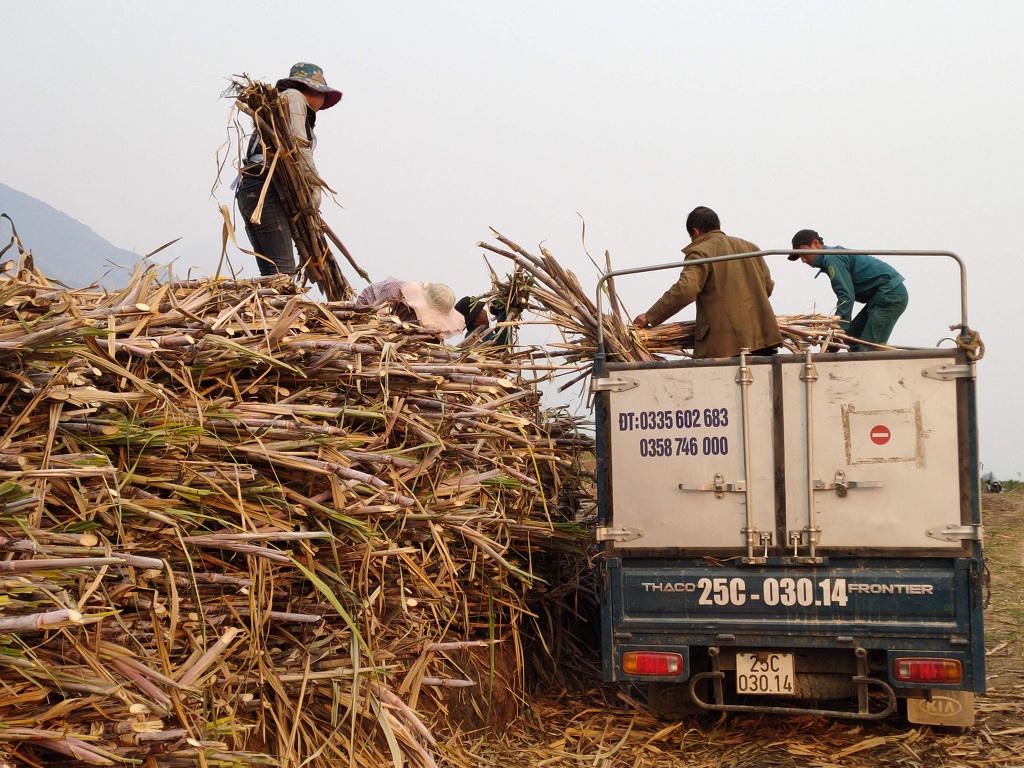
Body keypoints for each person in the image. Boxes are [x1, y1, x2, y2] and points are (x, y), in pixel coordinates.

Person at [236, 62, 342, 276]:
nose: (322, 101)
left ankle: (265, 309)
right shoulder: (294, 98)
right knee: (283, 274)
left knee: (272, 273)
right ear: (311, 90)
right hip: (265, 188)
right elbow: (298, 147)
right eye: (321, 94)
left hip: (253, 189)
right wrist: (314, 185)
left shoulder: (287, 104)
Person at [633, 206, 782, 358]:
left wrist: (650, 316)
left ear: (695, 232)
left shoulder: (701, 251)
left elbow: (686, 290)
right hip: (763, 339)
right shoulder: (751, 247)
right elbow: (768, 286)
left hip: (726, 344)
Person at [789, 229, 908, 351]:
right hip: (879, 298)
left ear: (816, 244)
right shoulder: (831, 258)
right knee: (850, 339)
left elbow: (846, 297)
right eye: (800, 257)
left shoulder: (832, 259)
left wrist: (837, 330)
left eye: (804, 253)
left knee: (866, 350)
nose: (803, 260)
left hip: (890, 294)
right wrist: (839, 334)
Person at [357, 278, 464, 338]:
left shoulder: (421, 320)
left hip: (397, 326)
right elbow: (375, 317)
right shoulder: (393, 290)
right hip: (368, 311)